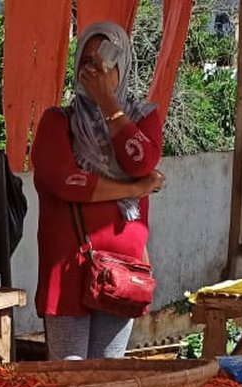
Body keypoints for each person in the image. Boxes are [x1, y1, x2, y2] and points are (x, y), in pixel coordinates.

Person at [32, 21, 166, 360]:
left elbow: (140, 160)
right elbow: (66, 183)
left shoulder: (144, 118)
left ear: (122, 66)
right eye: (87, 60)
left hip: (121, 273)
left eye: (105, 60)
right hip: (69, 272)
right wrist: (136, 189)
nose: (95, 68)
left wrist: (109, 104)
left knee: (110, 376)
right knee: (71, 379)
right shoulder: (57, 122)